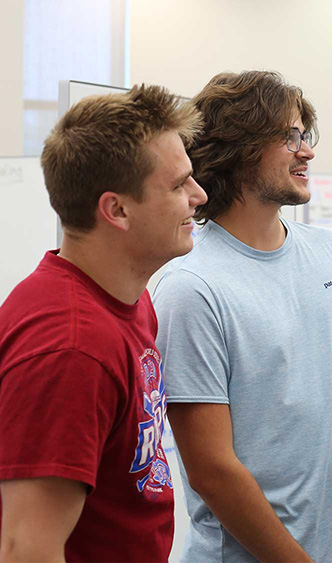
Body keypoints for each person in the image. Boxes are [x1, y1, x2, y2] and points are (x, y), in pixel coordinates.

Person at [152, 71, 332, 563]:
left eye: (304, 135)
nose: (306, 151)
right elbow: (212, 469)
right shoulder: (191, 288)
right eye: (290, 137)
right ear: (239, 149)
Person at [0, 85, 205, 561]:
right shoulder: (72, 348)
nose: (199, 196)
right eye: (178, 185)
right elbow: (27, 549)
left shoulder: (127, 302)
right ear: (116, 210)